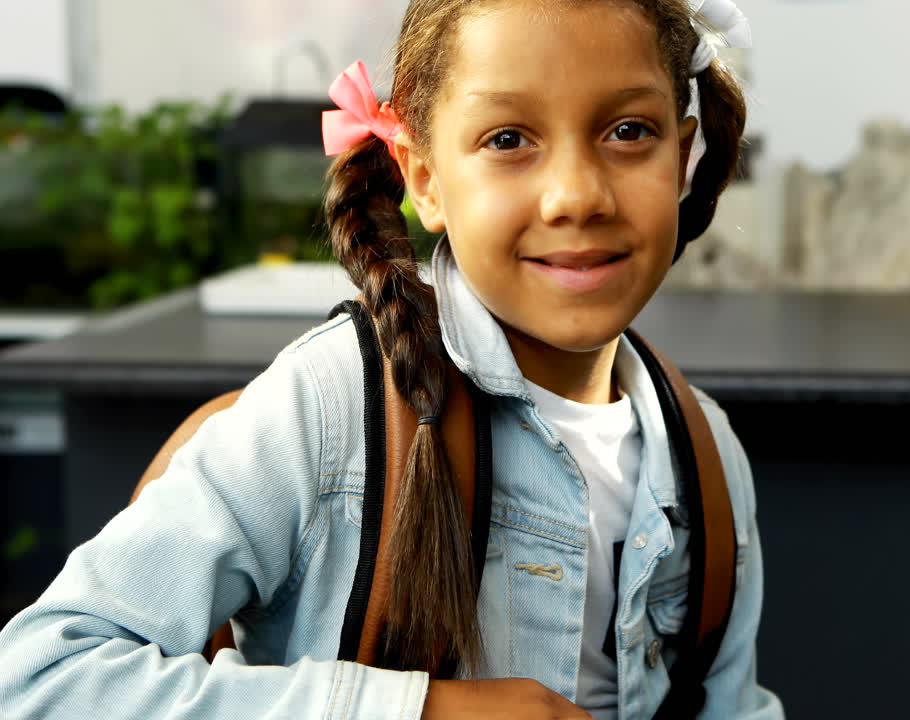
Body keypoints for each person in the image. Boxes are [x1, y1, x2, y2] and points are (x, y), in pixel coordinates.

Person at [0, 0, 782, 717]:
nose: (576, 195)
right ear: (424, 179)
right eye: (508, 139)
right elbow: (40, 676)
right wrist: (424, 712)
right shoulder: (330, 408)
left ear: (683, 159)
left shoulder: (705, 456)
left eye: (627, 132)